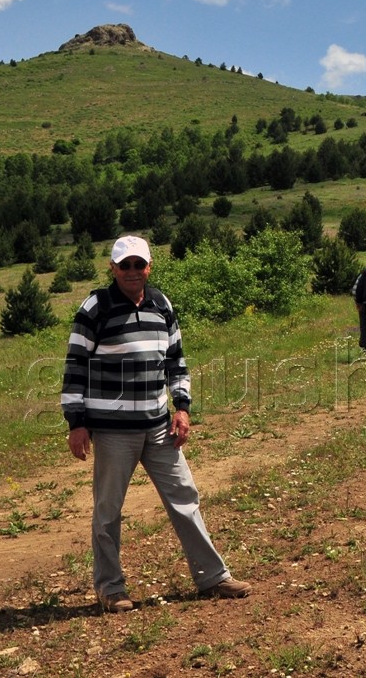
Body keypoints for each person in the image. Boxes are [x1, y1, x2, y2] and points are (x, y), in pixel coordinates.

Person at [62, 235, 251, 612]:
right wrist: (76, 422)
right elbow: (75, 366)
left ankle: (213, 578)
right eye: (125, 265)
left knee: (185, 498)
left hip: (158, 425)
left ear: (149, 267)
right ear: (113, 268)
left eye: (139, 265)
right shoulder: (95, 308)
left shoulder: (161, 304)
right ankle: (111, 589)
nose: (132, 272)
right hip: (113, 431)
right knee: (108, 510)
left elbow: (176, 362)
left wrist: (182, 408)